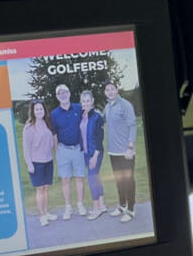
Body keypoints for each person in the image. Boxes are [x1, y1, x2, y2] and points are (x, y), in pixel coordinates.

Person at [50, 83, 87, 220]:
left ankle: (80, 204)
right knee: (65, 179)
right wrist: (57, 152)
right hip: (63, 150)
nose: (63, 95)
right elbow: (54, 134)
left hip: (78, 149)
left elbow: (87, 124)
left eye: (65, 92)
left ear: (69, 93)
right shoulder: (54, 114)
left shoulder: (79, 108)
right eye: (60, 93)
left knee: (79, 178)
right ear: (57, 96)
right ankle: (68, 207)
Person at [103, 80, 138, 223]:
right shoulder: (107, 106)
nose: (110, 91)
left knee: (128, 181)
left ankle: (131, 210)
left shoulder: (125, 105)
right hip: (113, 152)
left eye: (112, 89)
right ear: (105, 92)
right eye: (107, 89)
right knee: (119, 180)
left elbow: (133, 126)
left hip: (126, 151)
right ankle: (122, 205)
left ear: (117, 90)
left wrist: (130, 147)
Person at [21, 100, 56, 226]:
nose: (39, 111)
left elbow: (51, 142)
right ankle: (42, 216)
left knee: (46, 188)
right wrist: (29, 164)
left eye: (41, 109)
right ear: (33, 111)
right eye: (37, 109)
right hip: (36, 163)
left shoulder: (47, 123)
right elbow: (26, 148)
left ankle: (46, 213)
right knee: (40, 189)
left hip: (48, 161)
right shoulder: (29, 127)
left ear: (44, 110)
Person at [79, 90, 107, 220]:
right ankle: (102, 205)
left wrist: (94, 156)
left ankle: (96, 209)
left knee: (91, 179)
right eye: (83, 101)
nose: (86, 103)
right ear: (81, 102)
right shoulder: (83, 115)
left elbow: (100, 139)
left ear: (92, 101)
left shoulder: (97, 117)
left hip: (95, 153)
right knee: (96, 178)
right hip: (86, 153)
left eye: (88, 101)